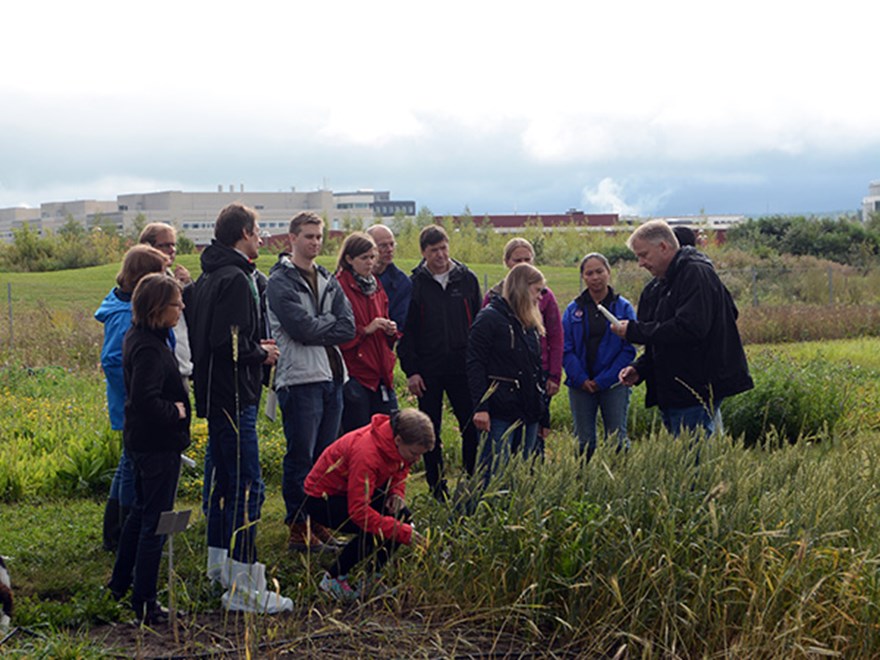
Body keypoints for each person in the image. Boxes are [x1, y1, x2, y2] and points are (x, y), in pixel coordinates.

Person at [186, 203, 292, 613]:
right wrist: (259, 352)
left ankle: (220, 569)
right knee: (248, 487)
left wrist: (249, 349)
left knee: (223, 486)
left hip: (219, 397)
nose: (262, 237)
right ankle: (245, 587)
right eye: (259, 229)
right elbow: (223, 342)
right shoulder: (233, 278)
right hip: (233, 397)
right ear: (244, 232)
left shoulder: (212, 273)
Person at [613, 220, 753, 436]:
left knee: (691, 458)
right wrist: (641, 368)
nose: (641, 263)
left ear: (663, 247)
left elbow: (691, 328)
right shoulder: (660, 284)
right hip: (673, 387)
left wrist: (634, 331)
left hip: (696, 385)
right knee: (683, 455)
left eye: (644, 255)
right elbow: (661, 338)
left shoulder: (695, 274)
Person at [266, 211, 356, 551]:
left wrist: (320, 325)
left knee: (326, 460)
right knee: (301, 458)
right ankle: (298, 528)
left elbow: (349, 327)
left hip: (333, 375)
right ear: (292, 238)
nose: (315, 242)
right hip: (301, 378)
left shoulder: (327, 277)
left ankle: (319, 524)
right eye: (308, 236)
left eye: (319, 237)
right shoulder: (280, 281)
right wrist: (326, 324)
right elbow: (299, 329)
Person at [106, 273, 190, 625]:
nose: (182, 307)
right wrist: (176, 411)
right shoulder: (149, 348)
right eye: (176, 303)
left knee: (140, 515)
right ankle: (145, 601)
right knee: (155, 524)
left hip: (142, 444)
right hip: (156, 448)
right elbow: (144, 399)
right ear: (158, 308)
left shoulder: (143, 337)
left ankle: (120, 584)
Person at [303, 408, 434, 602]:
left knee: (401, 516)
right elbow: (359, 513)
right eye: (414, 453)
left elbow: (400, 467)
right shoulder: (367, 453)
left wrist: (396, 493)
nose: (416, 460)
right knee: (379, 528)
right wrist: (401, 532)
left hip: (351, 492)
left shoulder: (396, 445)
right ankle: (333, 578)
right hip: (322, 500)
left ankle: (372, 578)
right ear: (398, 440)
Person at [397, 224, 482, 500]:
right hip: (428, 369)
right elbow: (406, 333)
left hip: (462, 367)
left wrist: (477, 363)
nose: (440, 255)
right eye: (434, 250)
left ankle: (472, 481)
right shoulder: (416, 283)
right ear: (423, 253)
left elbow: (479, 323)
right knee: (429, 429)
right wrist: (412, 371)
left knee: (471, 426)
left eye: (444, 248)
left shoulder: (466, 278)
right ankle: (436, 487)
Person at [95, 244, 169, 552]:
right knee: (131, 466)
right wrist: (138, 394)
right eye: (161, 274)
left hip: (137, 402)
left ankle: (118, 528)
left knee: (128, 462)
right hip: (134, 405)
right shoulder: (124, 316)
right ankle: (124, 528)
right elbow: (112, 360)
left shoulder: (129, 310)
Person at [467, 263, 547, 483]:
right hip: (499, 409)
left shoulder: (529, 323)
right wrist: (481, 407)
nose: (541, 297)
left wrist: (543, 414)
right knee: (494, 472)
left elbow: (536, 370)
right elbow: (475, 364)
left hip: (528, 409)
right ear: (523, 288)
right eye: (537, 290)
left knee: (521, 472)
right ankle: (484, 513)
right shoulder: (489, 318)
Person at [482, 238, 563, 446]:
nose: (524, 263)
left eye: (528, 259)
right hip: (505, 378)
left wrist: (554, 374)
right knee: (506, 436)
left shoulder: (544, 295)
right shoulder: (493, 297)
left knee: (535, 433)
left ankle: (532, 474)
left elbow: (555, 335)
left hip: (539, 373)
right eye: (518, 260)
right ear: (507, 262)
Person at [562, 253, 637, 461]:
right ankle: (584, 482)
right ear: (583, 277)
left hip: (614, 384)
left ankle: (618, 482)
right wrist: (581, 379)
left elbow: (628, 349)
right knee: (584, 441)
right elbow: (565, 348)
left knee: (616, 439)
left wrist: (604, 380)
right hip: (580, 385)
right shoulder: (573, 310)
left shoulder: (623, 308)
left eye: (599, 271)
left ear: (608, 273)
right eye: (589, 273)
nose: (595, 277)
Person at [335, 232, 399, 433]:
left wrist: (390, 330)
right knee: (358, 436)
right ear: (349, 259)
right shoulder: (339, 287)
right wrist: (365, 330)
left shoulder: (375, 285)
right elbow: (336, 334)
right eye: (364, 258)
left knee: (389, 433)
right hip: (356, 373)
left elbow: (385, 319)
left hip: (381, 372)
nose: (370, 263)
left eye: (372, 257)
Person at [139, 222, 193, 386]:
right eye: (165, 245)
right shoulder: (147, 285)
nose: (172, 250)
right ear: (148, 247)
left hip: (180, 364)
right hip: (162, 369)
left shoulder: (171, 277)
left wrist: (188, 286)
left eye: (173, 245)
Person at [367, 224, 412, 330]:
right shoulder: (349, 277)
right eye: (383, 246)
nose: (390, 249)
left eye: (392, 244)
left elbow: (399, 323)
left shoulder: (402, 282)